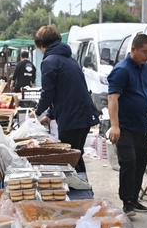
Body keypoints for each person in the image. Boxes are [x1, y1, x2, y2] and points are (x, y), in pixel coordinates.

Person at [34, 25, 99, 173]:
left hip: (72, 117)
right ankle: (83, 185)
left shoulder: (49, 61)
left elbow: (48, 92)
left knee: (69, 158)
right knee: (76, 155)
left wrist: (36, 112)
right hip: (84, 114)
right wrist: (50, 115)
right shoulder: (69, 59)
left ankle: (79, 186)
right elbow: (63, 91)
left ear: (41, 44)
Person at [107, 34, 147, 216]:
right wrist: (115, 126)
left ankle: (135, 199)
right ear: (133, 49)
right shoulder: (122, 70)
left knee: (141, 162)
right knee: (129, 161)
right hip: (124, 126)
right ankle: (127, 201)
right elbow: (113, 98)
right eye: (145, 51)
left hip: (142, 125)